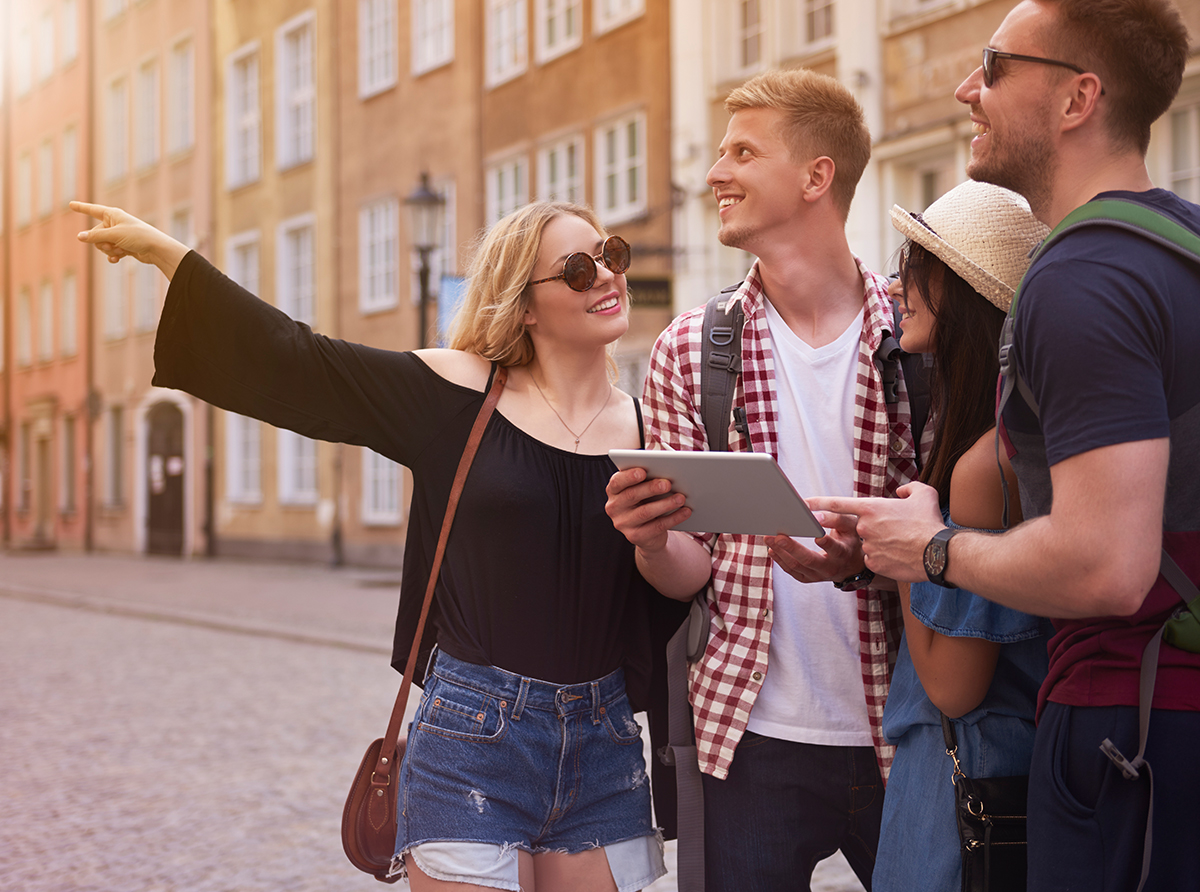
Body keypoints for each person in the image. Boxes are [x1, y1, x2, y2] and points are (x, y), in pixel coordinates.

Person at [71, 198, 677, 892]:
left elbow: (688, 581)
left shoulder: (650, 426)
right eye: (576, 268)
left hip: (603, 747)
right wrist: (169, 255)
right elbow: (303, 362)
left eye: (612, 256)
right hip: (473, 738)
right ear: (526, 307)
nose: (605, 276)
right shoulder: (457, 394)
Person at [808, 2, 1200, 890]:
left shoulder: (1079, 280)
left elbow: (1107, 565)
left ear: (1077, 99)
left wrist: (930, 550)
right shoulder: (1181, 248)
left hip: (1123, 737)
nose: (965, 90)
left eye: (993, 66)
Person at [605, 68, 919, 891]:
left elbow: (955, 533)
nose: (715, 174)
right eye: (719, 152)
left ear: (817, 176)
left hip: (909, 729)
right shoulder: (690, 349)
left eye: (743, 151)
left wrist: (860, 561)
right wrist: (651, 540)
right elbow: (692, 565)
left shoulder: (915, 342)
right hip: (746, 739)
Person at [870, 180, 1052, 892]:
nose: (896, 284)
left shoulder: (982, 465)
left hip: (964, 777)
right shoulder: (1009, 441)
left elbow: (953, 686)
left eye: (919, 267)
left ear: (966, 298)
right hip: (1000, 767)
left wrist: (913, 553)